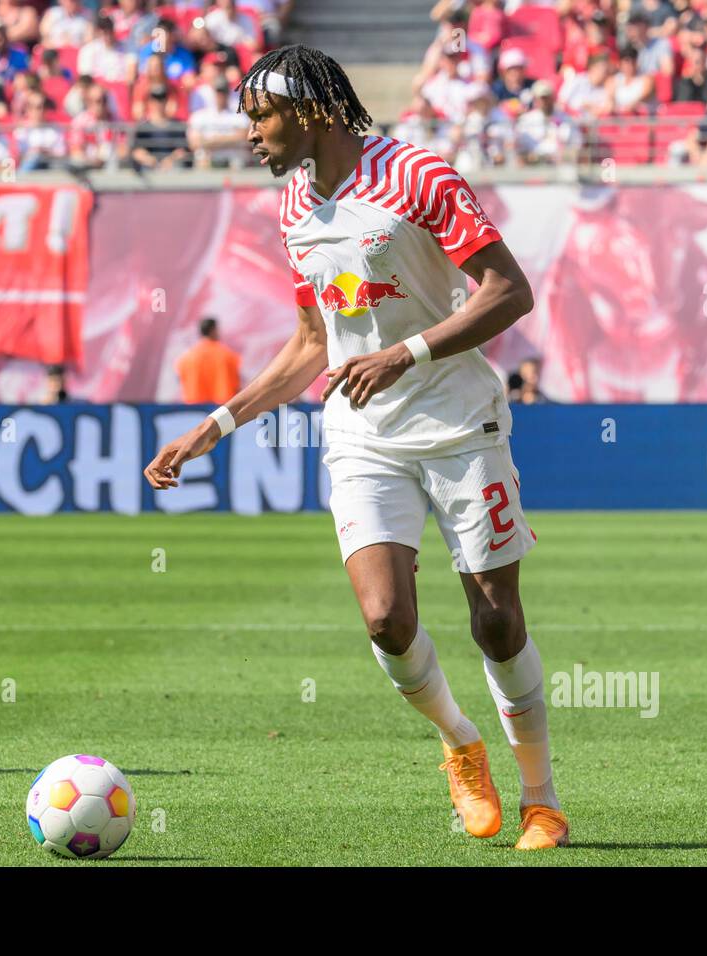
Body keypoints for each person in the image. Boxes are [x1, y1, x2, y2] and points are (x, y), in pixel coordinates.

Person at [144, 45, 568, 851]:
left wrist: (405, 355)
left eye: (261, 117)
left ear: (309, 111)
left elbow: (510, 291)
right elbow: (313, 341)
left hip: (458, 425)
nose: (253, 135)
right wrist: (215, 425)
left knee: (497, 624)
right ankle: (459, 742)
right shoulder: (294, 204)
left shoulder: (417, 176)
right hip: (361, 433)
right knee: (384, 618)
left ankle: (541, 799)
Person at [175, 318, 241, 403]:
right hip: (222, 409)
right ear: (213, 330)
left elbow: (181, 381)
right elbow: (237, 385)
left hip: (195, 410)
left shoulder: (186, 359)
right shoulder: (228, 356)